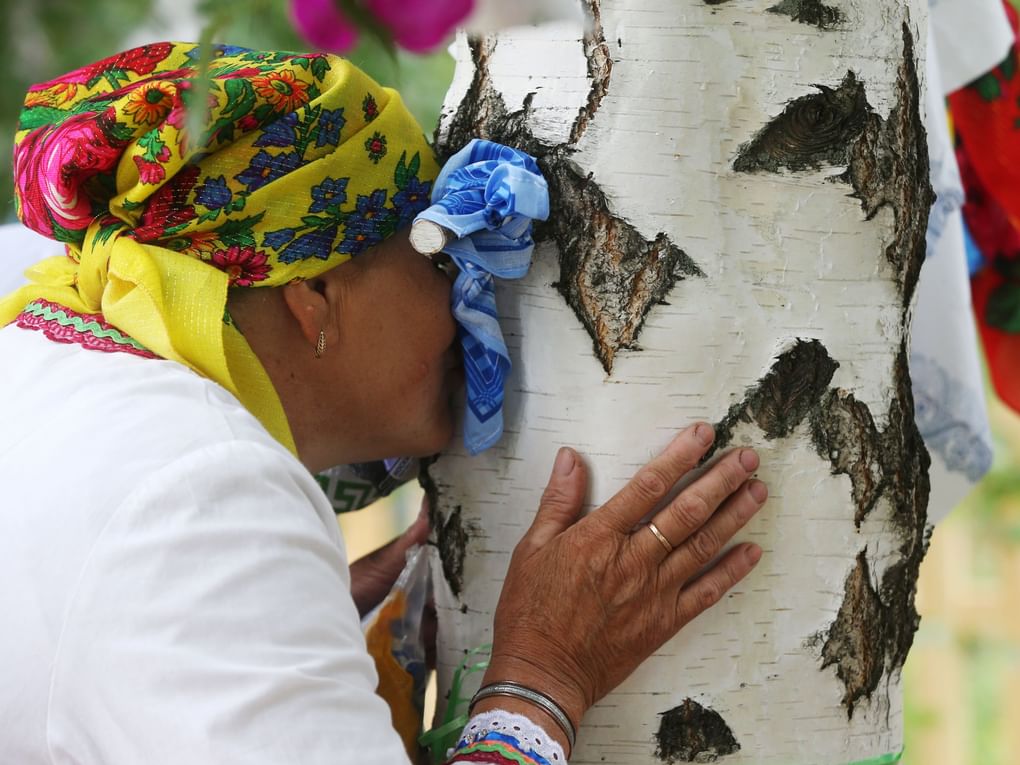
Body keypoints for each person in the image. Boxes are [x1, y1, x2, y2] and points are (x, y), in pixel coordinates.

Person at [0, 43, 768, 764]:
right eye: (437, 259)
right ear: (314, 296)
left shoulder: (53, 364)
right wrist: (542, 676)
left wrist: (292, 628)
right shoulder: (206, 493)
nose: (472, 302)